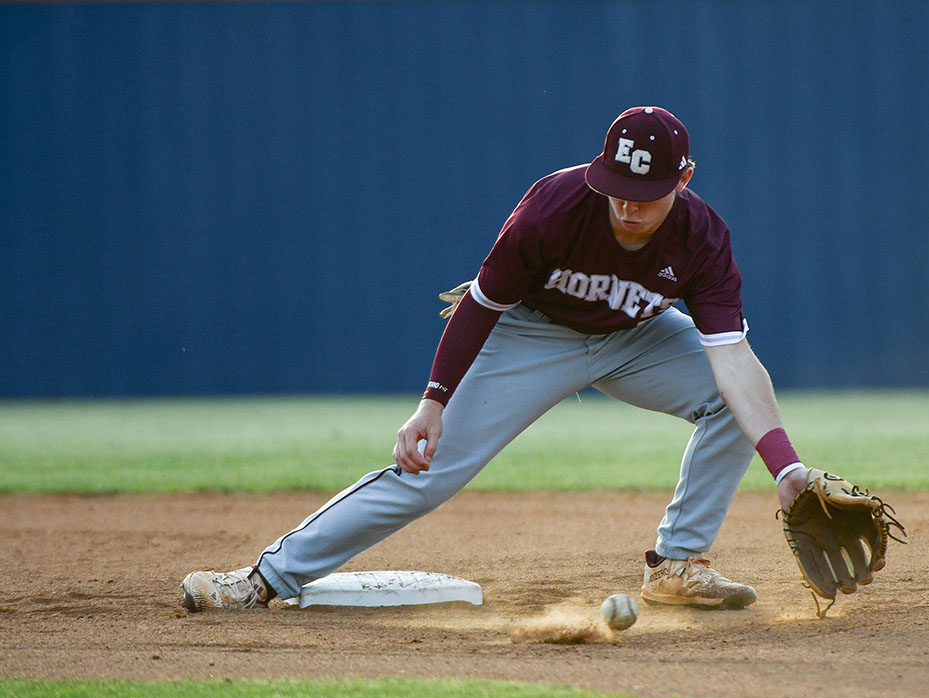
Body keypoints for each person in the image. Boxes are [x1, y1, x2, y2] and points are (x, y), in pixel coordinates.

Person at [181, 106, 810, 612]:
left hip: (635, 340)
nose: (627, 205)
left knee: (734, 401)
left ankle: (676, 565)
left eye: (645, 194)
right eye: (619, 188)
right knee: (425, 474)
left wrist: (785, 470)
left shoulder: (704, 238)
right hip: (532, 334)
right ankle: (264, 579)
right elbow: (481, 304)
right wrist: (433, 402)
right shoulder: (555, 207)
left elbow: (733, 358)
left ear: (683, 179)